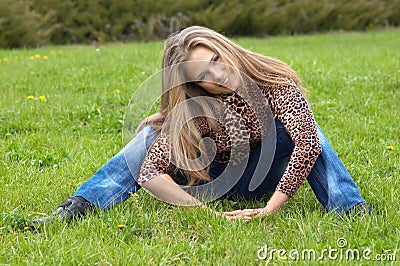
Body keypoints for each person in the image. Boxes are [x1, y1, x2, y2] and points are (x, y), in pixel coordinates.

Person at [35, 26, 372, 224]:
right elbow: (150, 173)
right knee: (151, 134)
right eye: (203, 76)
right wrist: (204, 213)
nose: (218, 74)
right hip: (208, 181)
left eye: (215, 61)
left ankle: (350, 207)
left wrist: (271, 208)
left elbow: (308, 145)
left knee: (308, 131)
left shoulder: (273, 80)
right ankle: (78, 206)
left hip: (262, 177)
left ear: (224, 49)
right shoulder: (195, 107)